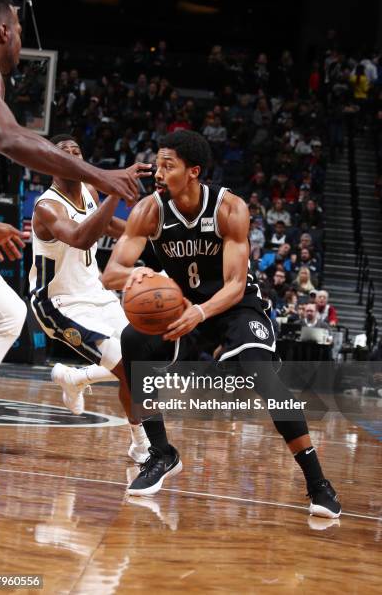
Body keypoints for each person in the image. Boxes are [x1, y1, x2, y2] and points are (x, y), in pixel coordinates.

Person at [103, 130, 341, 518]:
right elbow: (113, 270)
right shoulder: (150, 210)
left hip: (234, 306)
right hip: (181, 304)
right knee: (133, 340)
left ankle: (317, 482)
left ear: (193, 171)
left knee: (262, 376)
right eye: (157, 164)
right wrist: (143, 278)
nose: (158, 173)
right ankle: (162, 454)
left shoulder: (230, 207)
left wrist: (199, 312)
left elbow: (233, 285)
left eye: (168, 166)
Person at [0, 0, 151, 492]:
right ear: (5, 31)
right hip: (60, 301)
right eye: (20, 29)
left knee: (5, 317)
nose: (21, 40)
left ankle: (86, 387)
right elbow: (11, 140)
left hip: (92, 295)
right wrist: (102, 175)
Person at [30, 135, 150, 463]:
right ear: (51, 162)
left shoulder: (89, 191)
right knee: (128, 369)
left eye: (77, 151)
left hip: (96, 292)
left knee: (145, 357)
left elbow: (107, 223)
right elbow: (82, 237)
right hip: (59, 303)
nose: (72, 155)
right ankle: (141, 444)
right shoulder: (47, 207)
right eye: (63, 153)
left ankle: (76, 377)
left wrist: (148, 234)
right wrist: (115, 189)